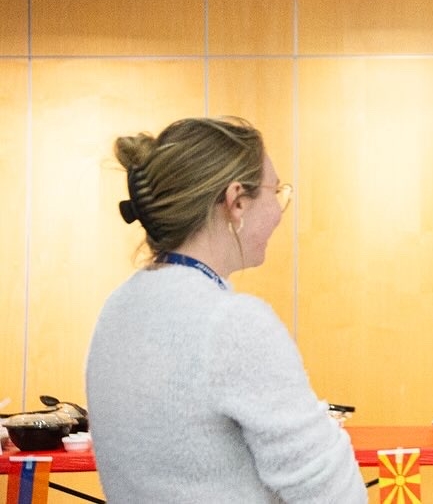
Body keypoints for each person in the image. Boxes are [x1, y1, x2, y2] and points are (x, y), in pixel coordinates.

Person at [86, 117, 367, 504]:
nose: (280, 211)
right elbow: (329, 490)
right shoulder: (231, 323)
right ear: (236, 201)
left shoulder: (116, 309)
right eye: (276, 191)